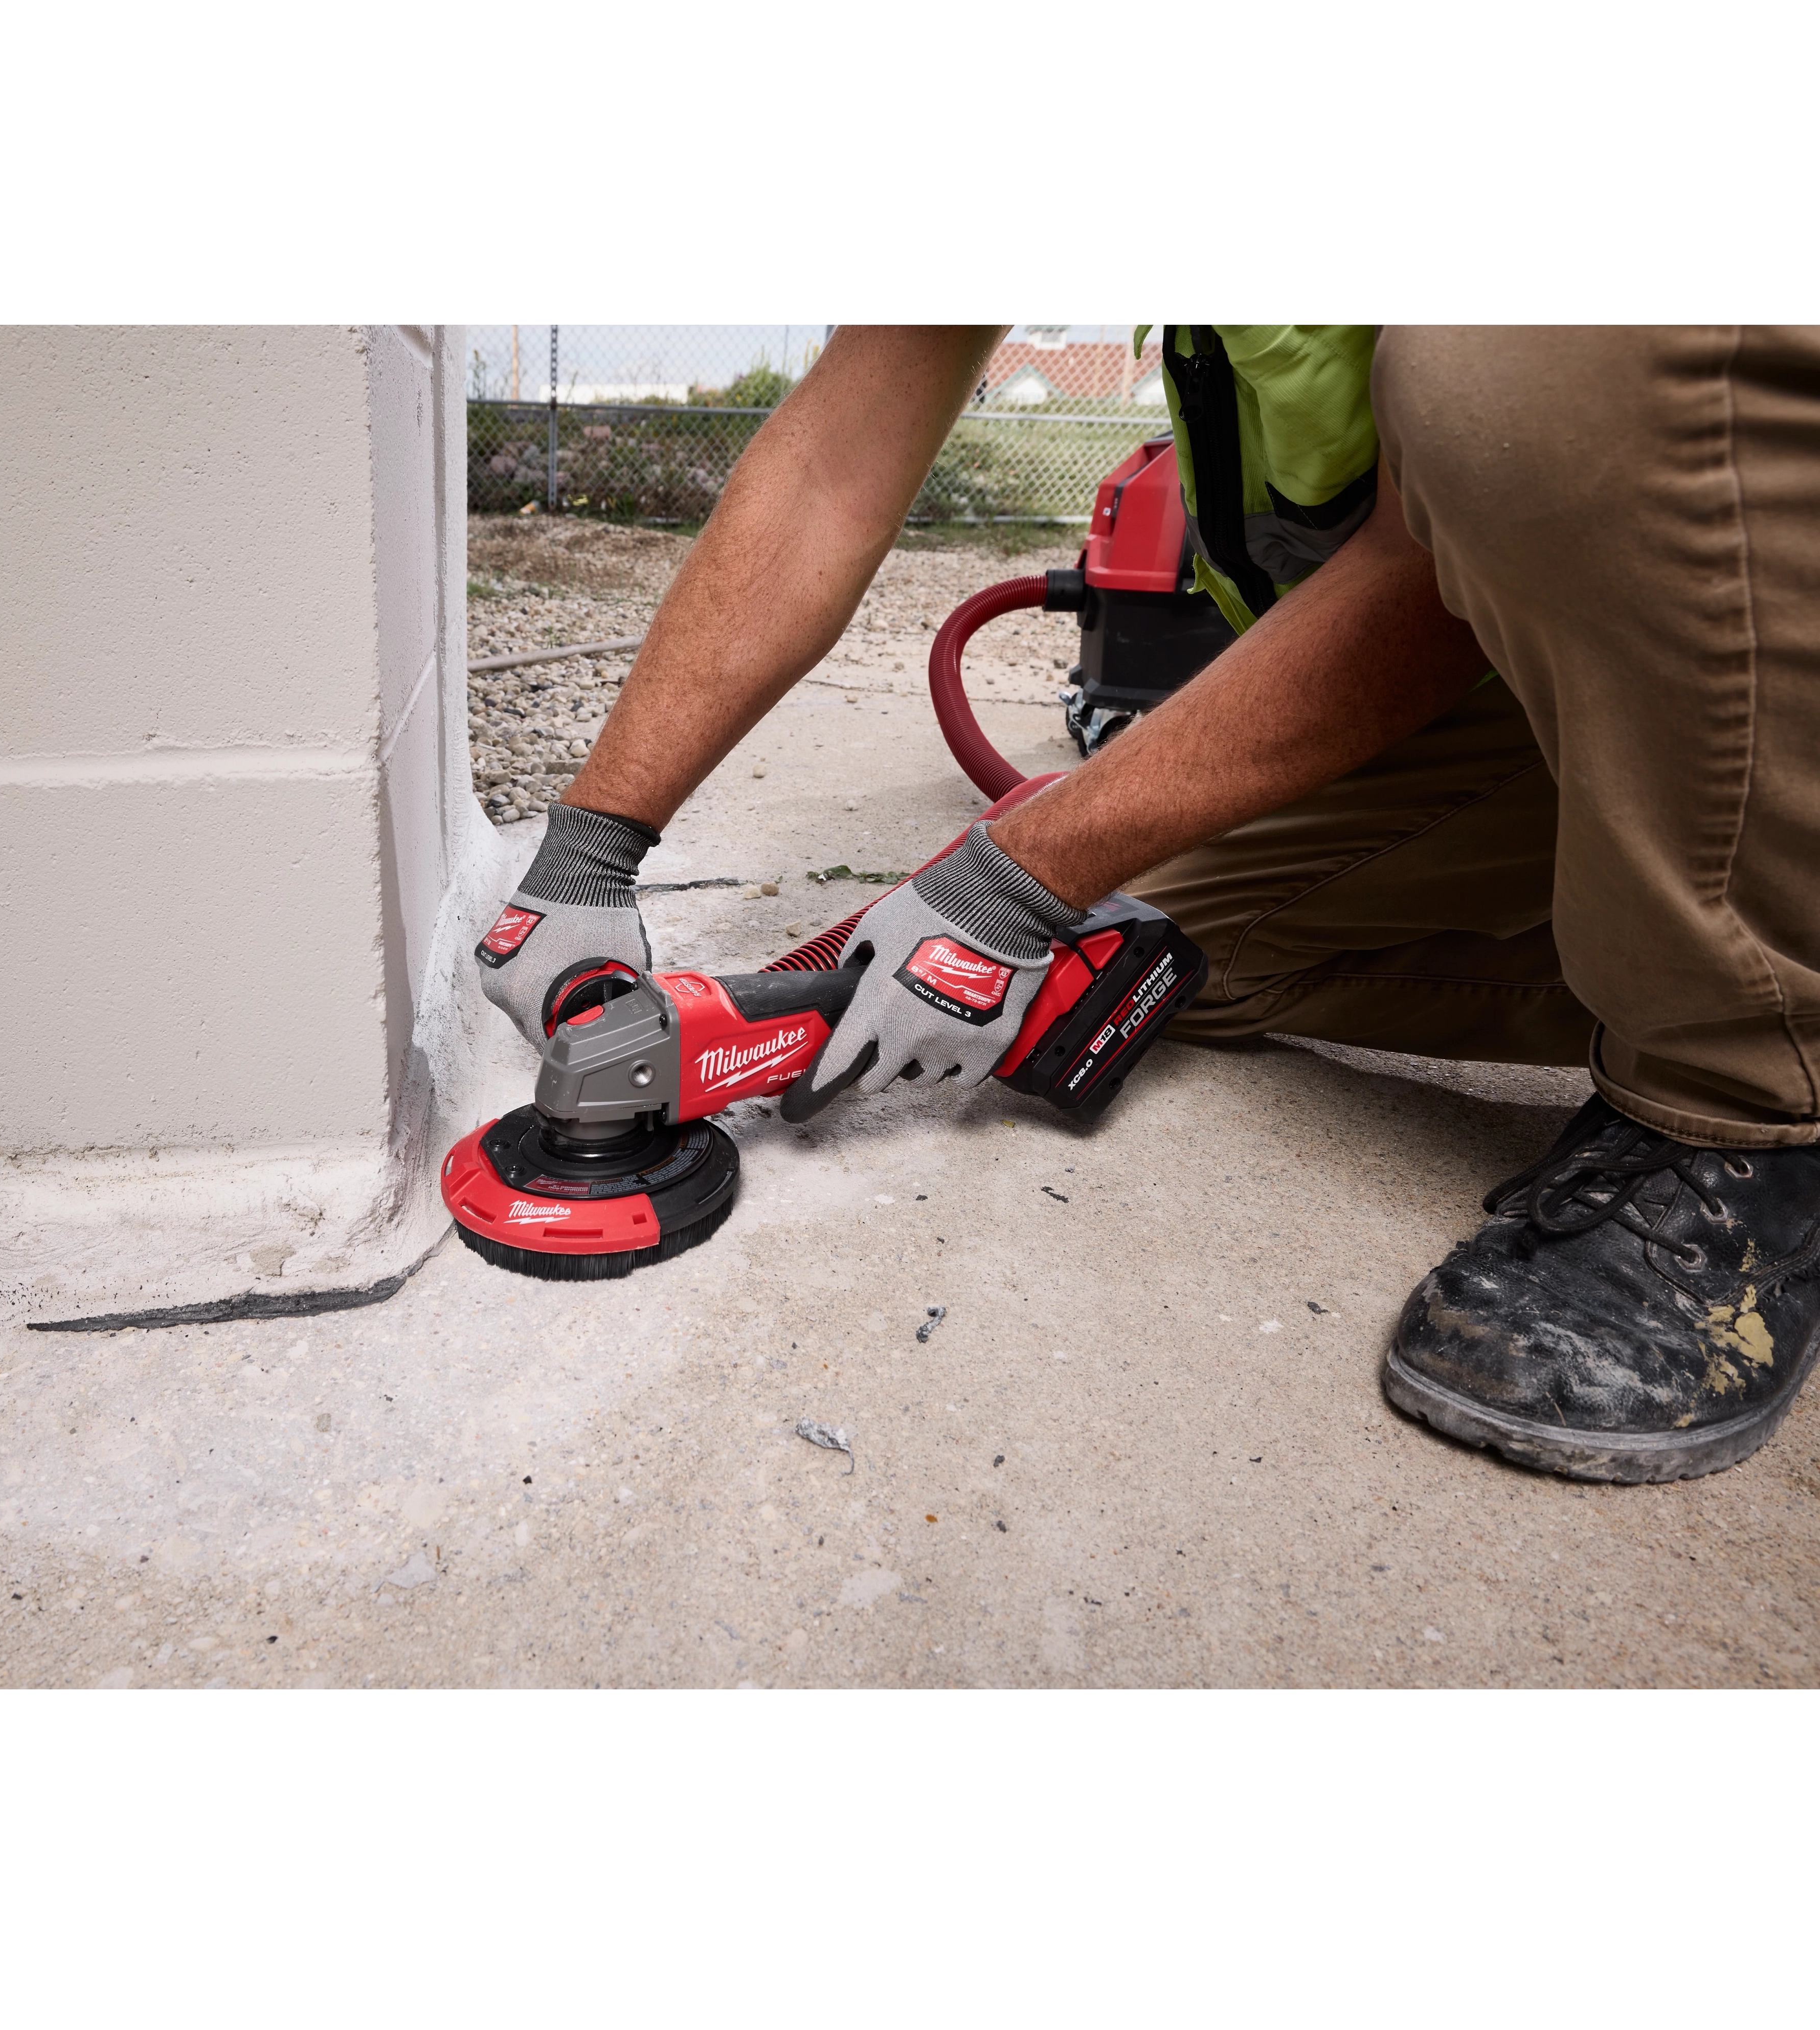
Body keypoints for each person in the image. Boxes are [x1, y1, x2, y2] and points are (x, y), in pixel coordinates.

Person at [477, 324, 1820, 1486]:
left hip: (1707, 609)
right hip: (1545, 693)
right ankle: (1722, 940)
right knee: (1123, 966)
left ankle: (1744, 1095)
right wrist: (588, 854)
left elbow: (1469, 520)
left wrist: (1012, 873)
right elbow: (834, 461)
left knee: (1514, 373)